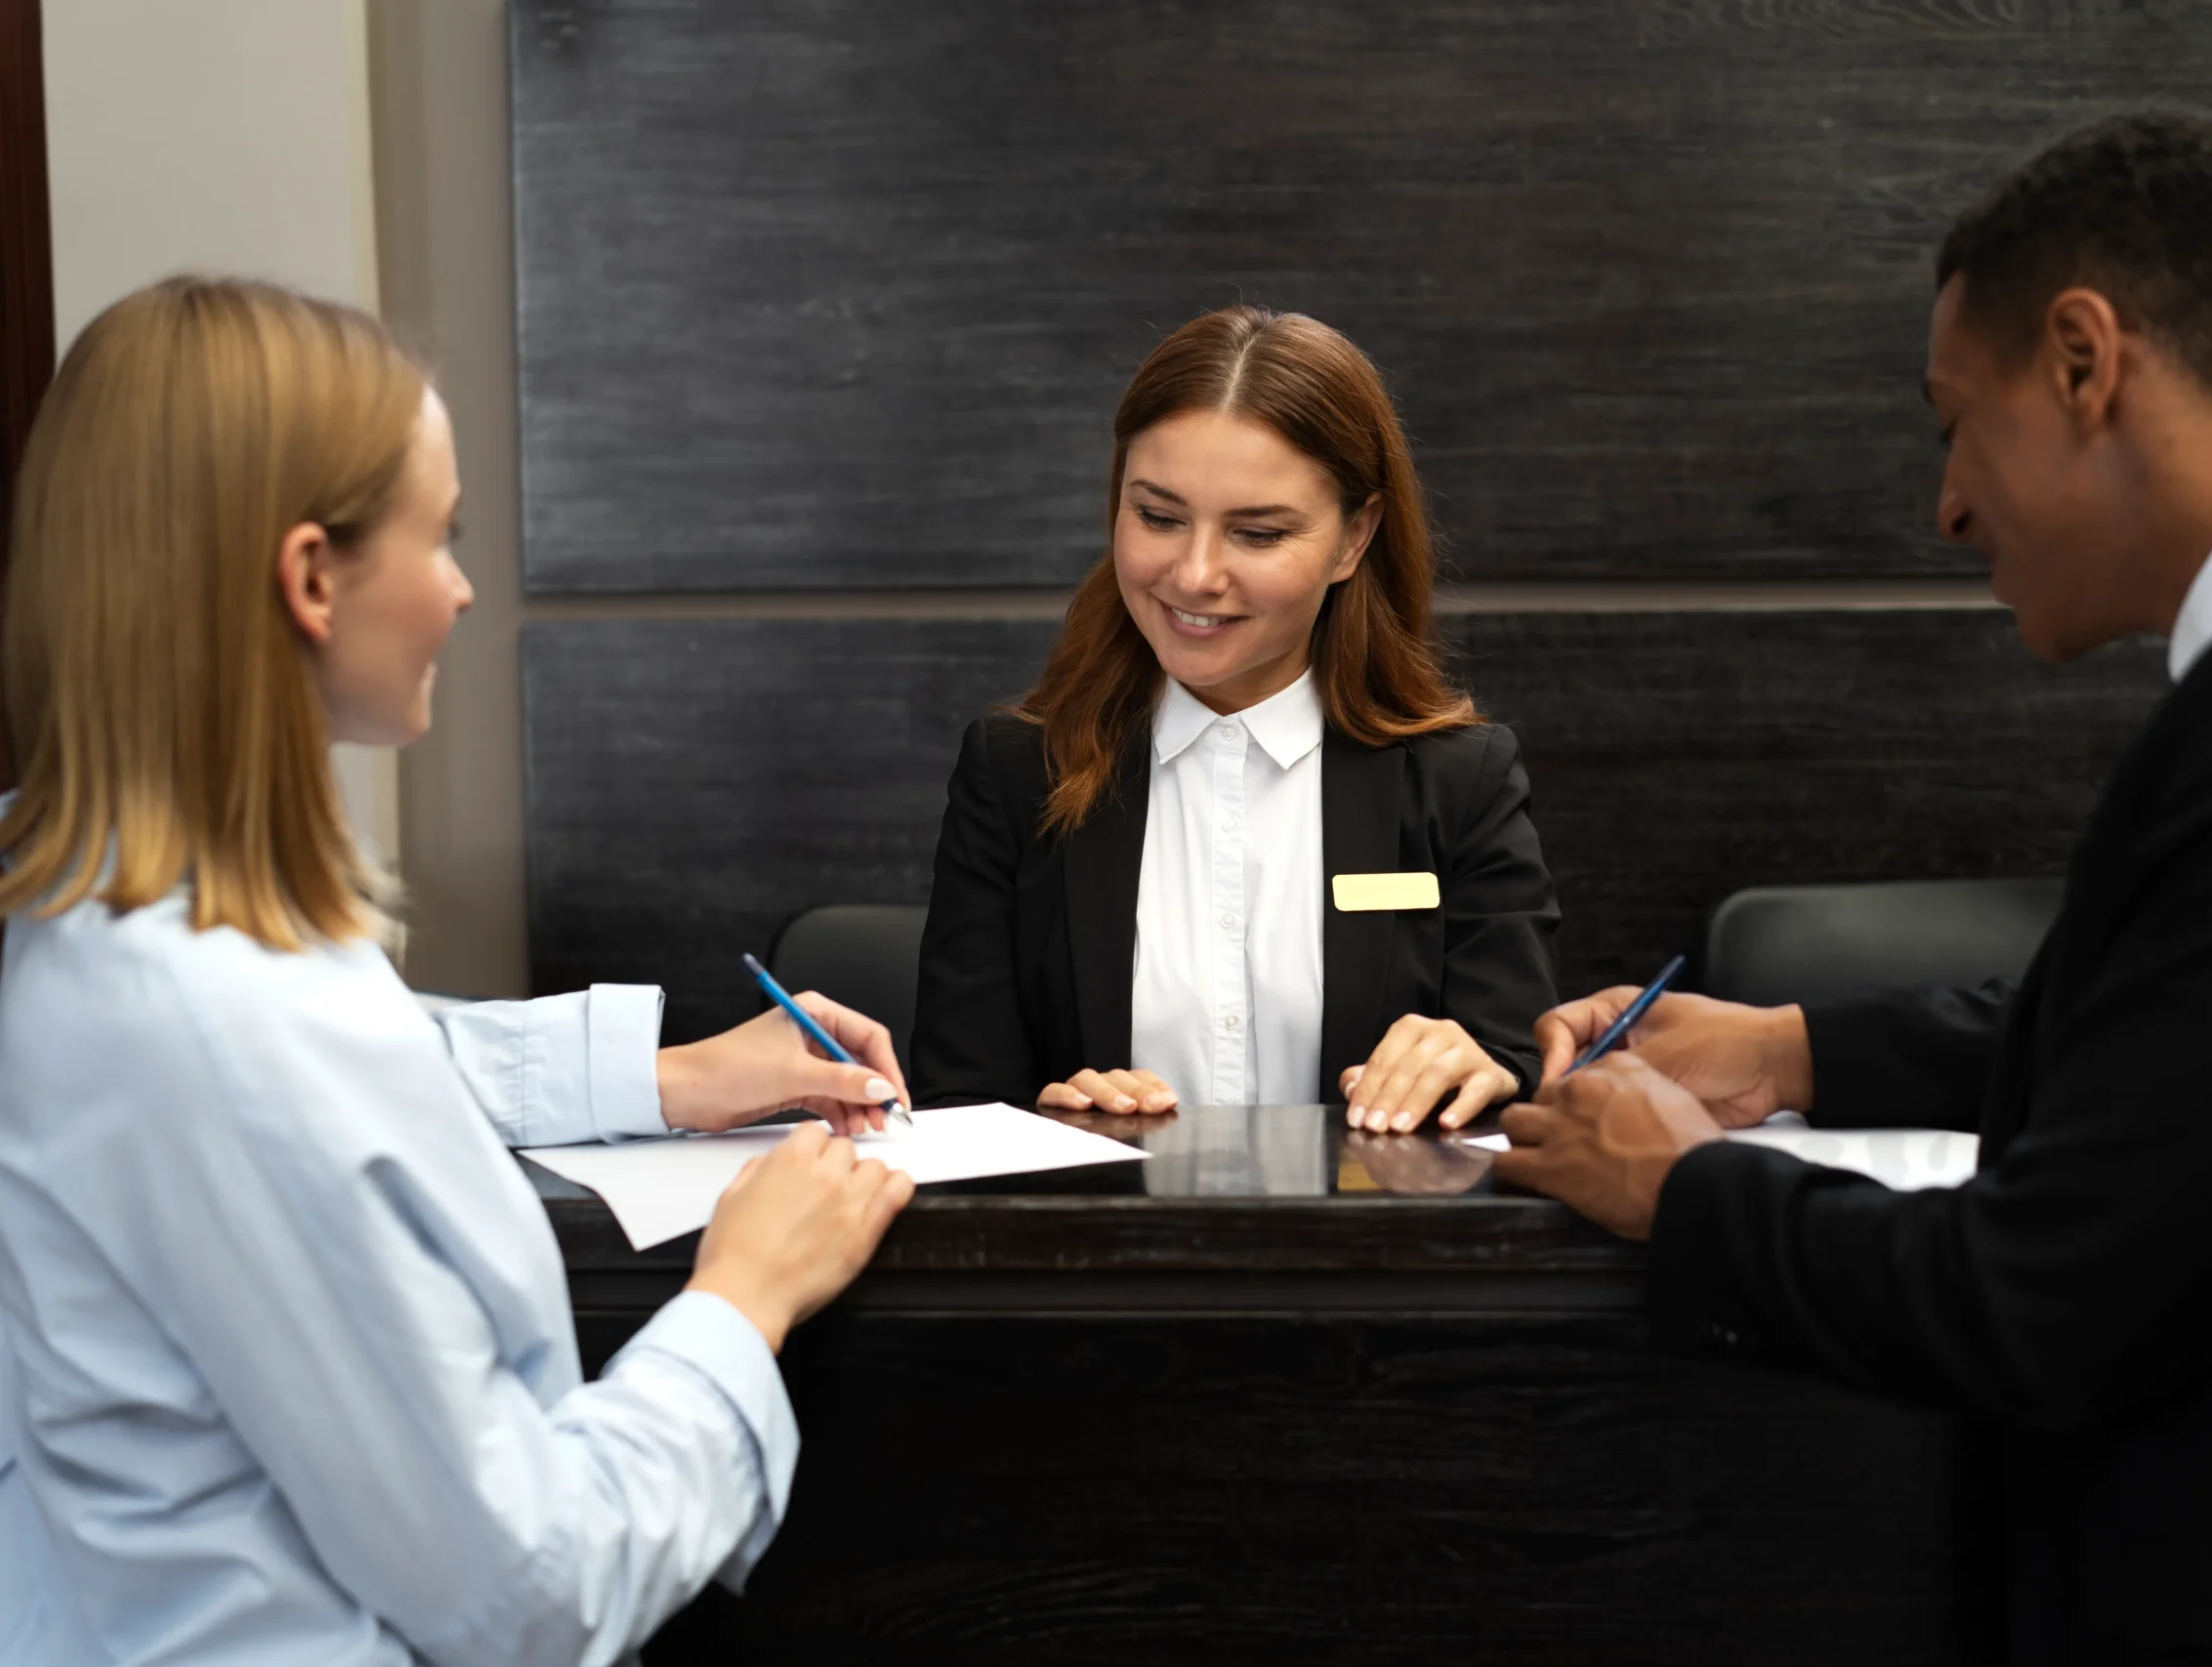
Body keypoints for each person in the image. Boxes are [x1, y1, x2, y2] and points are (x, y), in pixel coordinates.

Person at [1503, 108, 2212, 1660]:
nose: (1950, 503)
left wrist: (1687, 1188)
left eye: (1954, 424)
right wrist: (1795, 1048)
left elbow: (2052, 1298)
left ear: (2084, 360)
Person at [0, 277, 918, 1666]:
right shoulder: (220, 1027)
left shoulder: (86, 907)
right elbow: (528, 1590)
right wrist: (744, 1295)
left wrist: (669, 1076)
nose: (464, 586)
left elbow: (377, 1067)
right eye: (443, 536)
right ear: (312, 578)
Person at [913, 307, 1560, 1134]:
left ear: (1354, 538)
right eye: (1158, 517)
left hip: (1377, 1220)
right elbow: (959, 1110)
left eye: (1257, 533)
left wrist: (1484, 1070)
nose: (1194, 574)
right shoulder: (1014, 773)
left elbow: (1518, 1068)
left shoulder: (1460, 780)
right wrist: (1052, 1123)